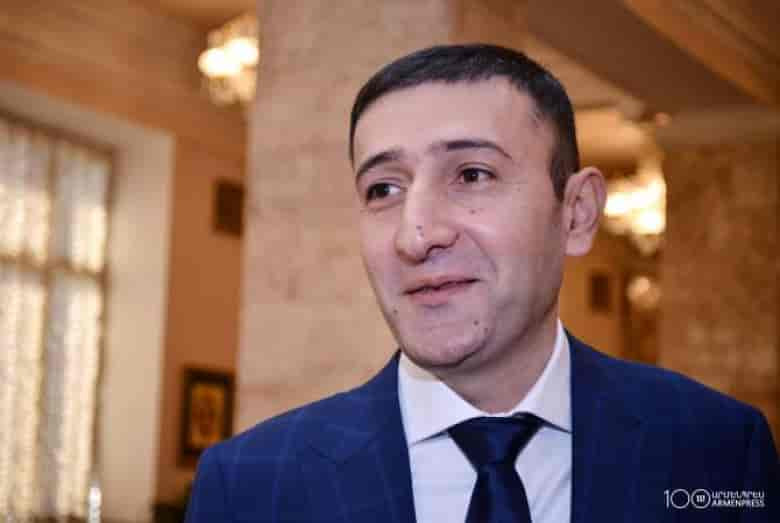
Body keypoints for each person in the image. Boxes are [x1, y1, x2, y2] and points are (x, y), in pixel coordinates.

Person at [185, 44, 778, 523]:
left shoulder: (717, 449)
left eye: (472, 175)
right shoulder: (251, 486)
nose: (416, 235)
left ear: (576, 214)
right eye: (383, 189)